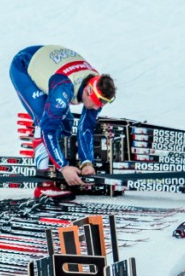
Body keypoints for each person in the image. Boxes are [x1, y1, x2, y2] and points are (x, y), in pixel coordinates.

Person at [9, 45, 116, 196]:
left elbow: (86, 127)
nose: (99, 106)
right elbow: (48, 129)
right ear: (87, 90)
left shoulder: (97, 86)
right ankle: (43, 184)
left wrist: (87, 163)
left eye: (103, 103)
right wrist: (63, 167)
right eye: (98, 102)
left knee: (67, 123)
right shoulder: (64, 88)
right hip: (24, 66)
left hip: (49, 62)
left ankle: (55, 161)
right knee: (45, 121)